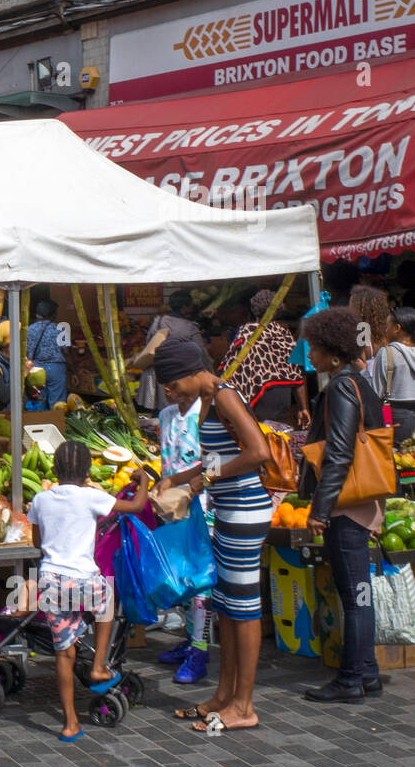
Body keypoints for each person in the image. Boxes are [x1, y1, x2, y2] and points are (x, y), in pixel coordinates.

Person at [154, 337, 273, 734]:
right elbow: (213, 460)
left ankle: (244, 705)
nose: (172, 394)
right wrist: (178, 477)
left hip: (245, 511)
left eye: (172, 386)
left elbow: (258, 453)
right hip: (227, 511)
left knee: (244, 610)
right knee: (225, 605)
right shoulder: (206, 402)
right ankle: (223, 696)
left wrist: (204, 479)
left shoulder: (224, 396)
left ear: (191, 373)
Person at [27, 441, 151, 742]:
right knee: (106, 601)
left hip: (52, 580)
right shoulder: (92, 497)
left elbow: (36, 541)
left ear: (55, 470)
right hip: (84, 578)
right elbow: (135, 506)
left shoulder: (41, 500)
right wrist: (144, 481)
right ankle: (98, 667)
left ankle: (70, 724)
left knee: (63, 653)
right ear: (87, 471)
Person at [299, 307, 386, 703]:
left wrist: (320, 508)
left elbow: (338, 452)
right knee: (360, 593)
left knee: (354, 595)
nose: (309, 356)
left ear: (333, 352)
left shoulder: (340, 387)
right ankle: (367, 674)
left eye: (314, 349)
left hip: (345, 506)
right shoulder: (360, 382)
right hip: (362, 503)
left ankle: (350, 679)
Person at [217, 289, 309, 428]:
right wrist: (303, 407)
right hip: (281, 398)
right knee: (278, 441)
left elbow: (230, 371)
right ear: (278, 310)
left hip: (255, 398)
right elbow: (296, 373)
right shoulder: (283, 334)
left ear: (253, 310)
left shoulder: (246, 333)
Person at [137, 291, 211, 412]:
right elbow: (201, 352)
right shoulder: (190, 327)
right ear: (184, 308)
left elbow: (149, 343)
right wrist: (209, 371)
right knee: (176, 411)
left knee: (158, 413)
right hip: (176, 376)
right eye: (190, 305)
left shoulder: (159, 321)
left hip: (157, 373)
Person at [369, 306, 415, 444]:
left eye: (387, 326)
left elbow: (375, 393)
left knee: (399, 460)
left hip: (396, 418)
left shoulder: (387, 353)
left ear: (397, 328)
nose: (385, 330)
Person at [27, 300, 67, 408]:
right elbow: (66, 351)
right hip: (56, 368)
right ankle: (57, 422)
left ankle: (41, 421)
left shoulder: (29, 329)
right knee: (58, 404)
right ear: (53, 314)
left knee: (39, 401)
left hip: (36, 368)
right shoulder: (60, 329)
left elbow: (26, 350)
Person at [350, 284, 391, 364]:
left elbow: (359, 364)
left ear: (361, 310)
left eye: (352, 306)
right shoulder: (388, 331)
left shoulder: (362, 334)